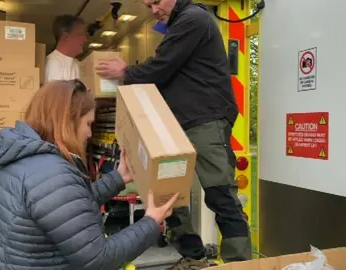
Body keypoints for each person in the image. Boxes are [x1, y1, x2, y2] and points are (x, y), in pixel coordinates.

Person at [95, 0, 252, 269]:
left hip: (205, 120)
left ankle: (239, 263)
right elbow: (162, 66)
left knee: (220, 194)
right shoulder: (179, 24)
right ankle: (193, 256)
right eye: (148, 4)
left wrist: (125, 72)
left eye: (156, 1)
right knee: (170, 194)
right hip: (178, 125)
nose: (153, 9)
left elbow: (161, 67)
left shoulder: (193, 19)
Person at [0, 79, 179, 270]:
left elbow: (69, 208)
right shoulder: (51, 172)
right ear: (67, 122)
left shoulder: (23, 158)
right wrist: (151, 221)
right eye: (88, 124)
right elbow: (99, 259)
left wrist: (119, 177)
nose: (89, 134)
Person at [44, 15, 87, 83]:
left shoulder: (76, 63)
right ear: (66, 37)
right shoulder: (53, 62)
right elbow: (56, 93)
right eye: (81, 34)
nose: (85, 39)